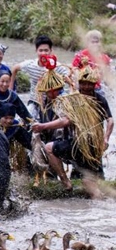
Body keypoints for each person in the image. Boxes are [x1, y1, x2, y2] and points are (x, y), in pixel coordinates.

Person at [32, 67, 113, 199]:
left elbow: (110, 120)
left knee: (91, 182)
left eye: (89, 84)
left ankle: (101, 205)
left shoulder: (99, 99)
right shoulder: (73, 97)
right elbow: (66, 120)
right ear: (79, 83)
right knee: (88, 179)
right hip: (77, 143)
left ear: (94, 85)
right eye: (83, 83)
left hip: (92, 146)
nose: (86, 87)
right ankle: (66, 181)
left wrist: (106, 139)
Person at [11, 35, 70, 116]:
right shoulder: (31, 65)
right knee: (27, 118)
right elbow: (14, 69)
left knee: (64, 115)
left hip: (54, 101)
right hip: (35, 101)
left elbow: (69, 76)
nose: (43, 53)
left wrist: (66, 93)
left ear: (51, 51)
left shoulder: (57, 67)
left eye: (46, 50)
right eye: (40, 50)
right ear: (36, 50)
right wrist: (11, 92)